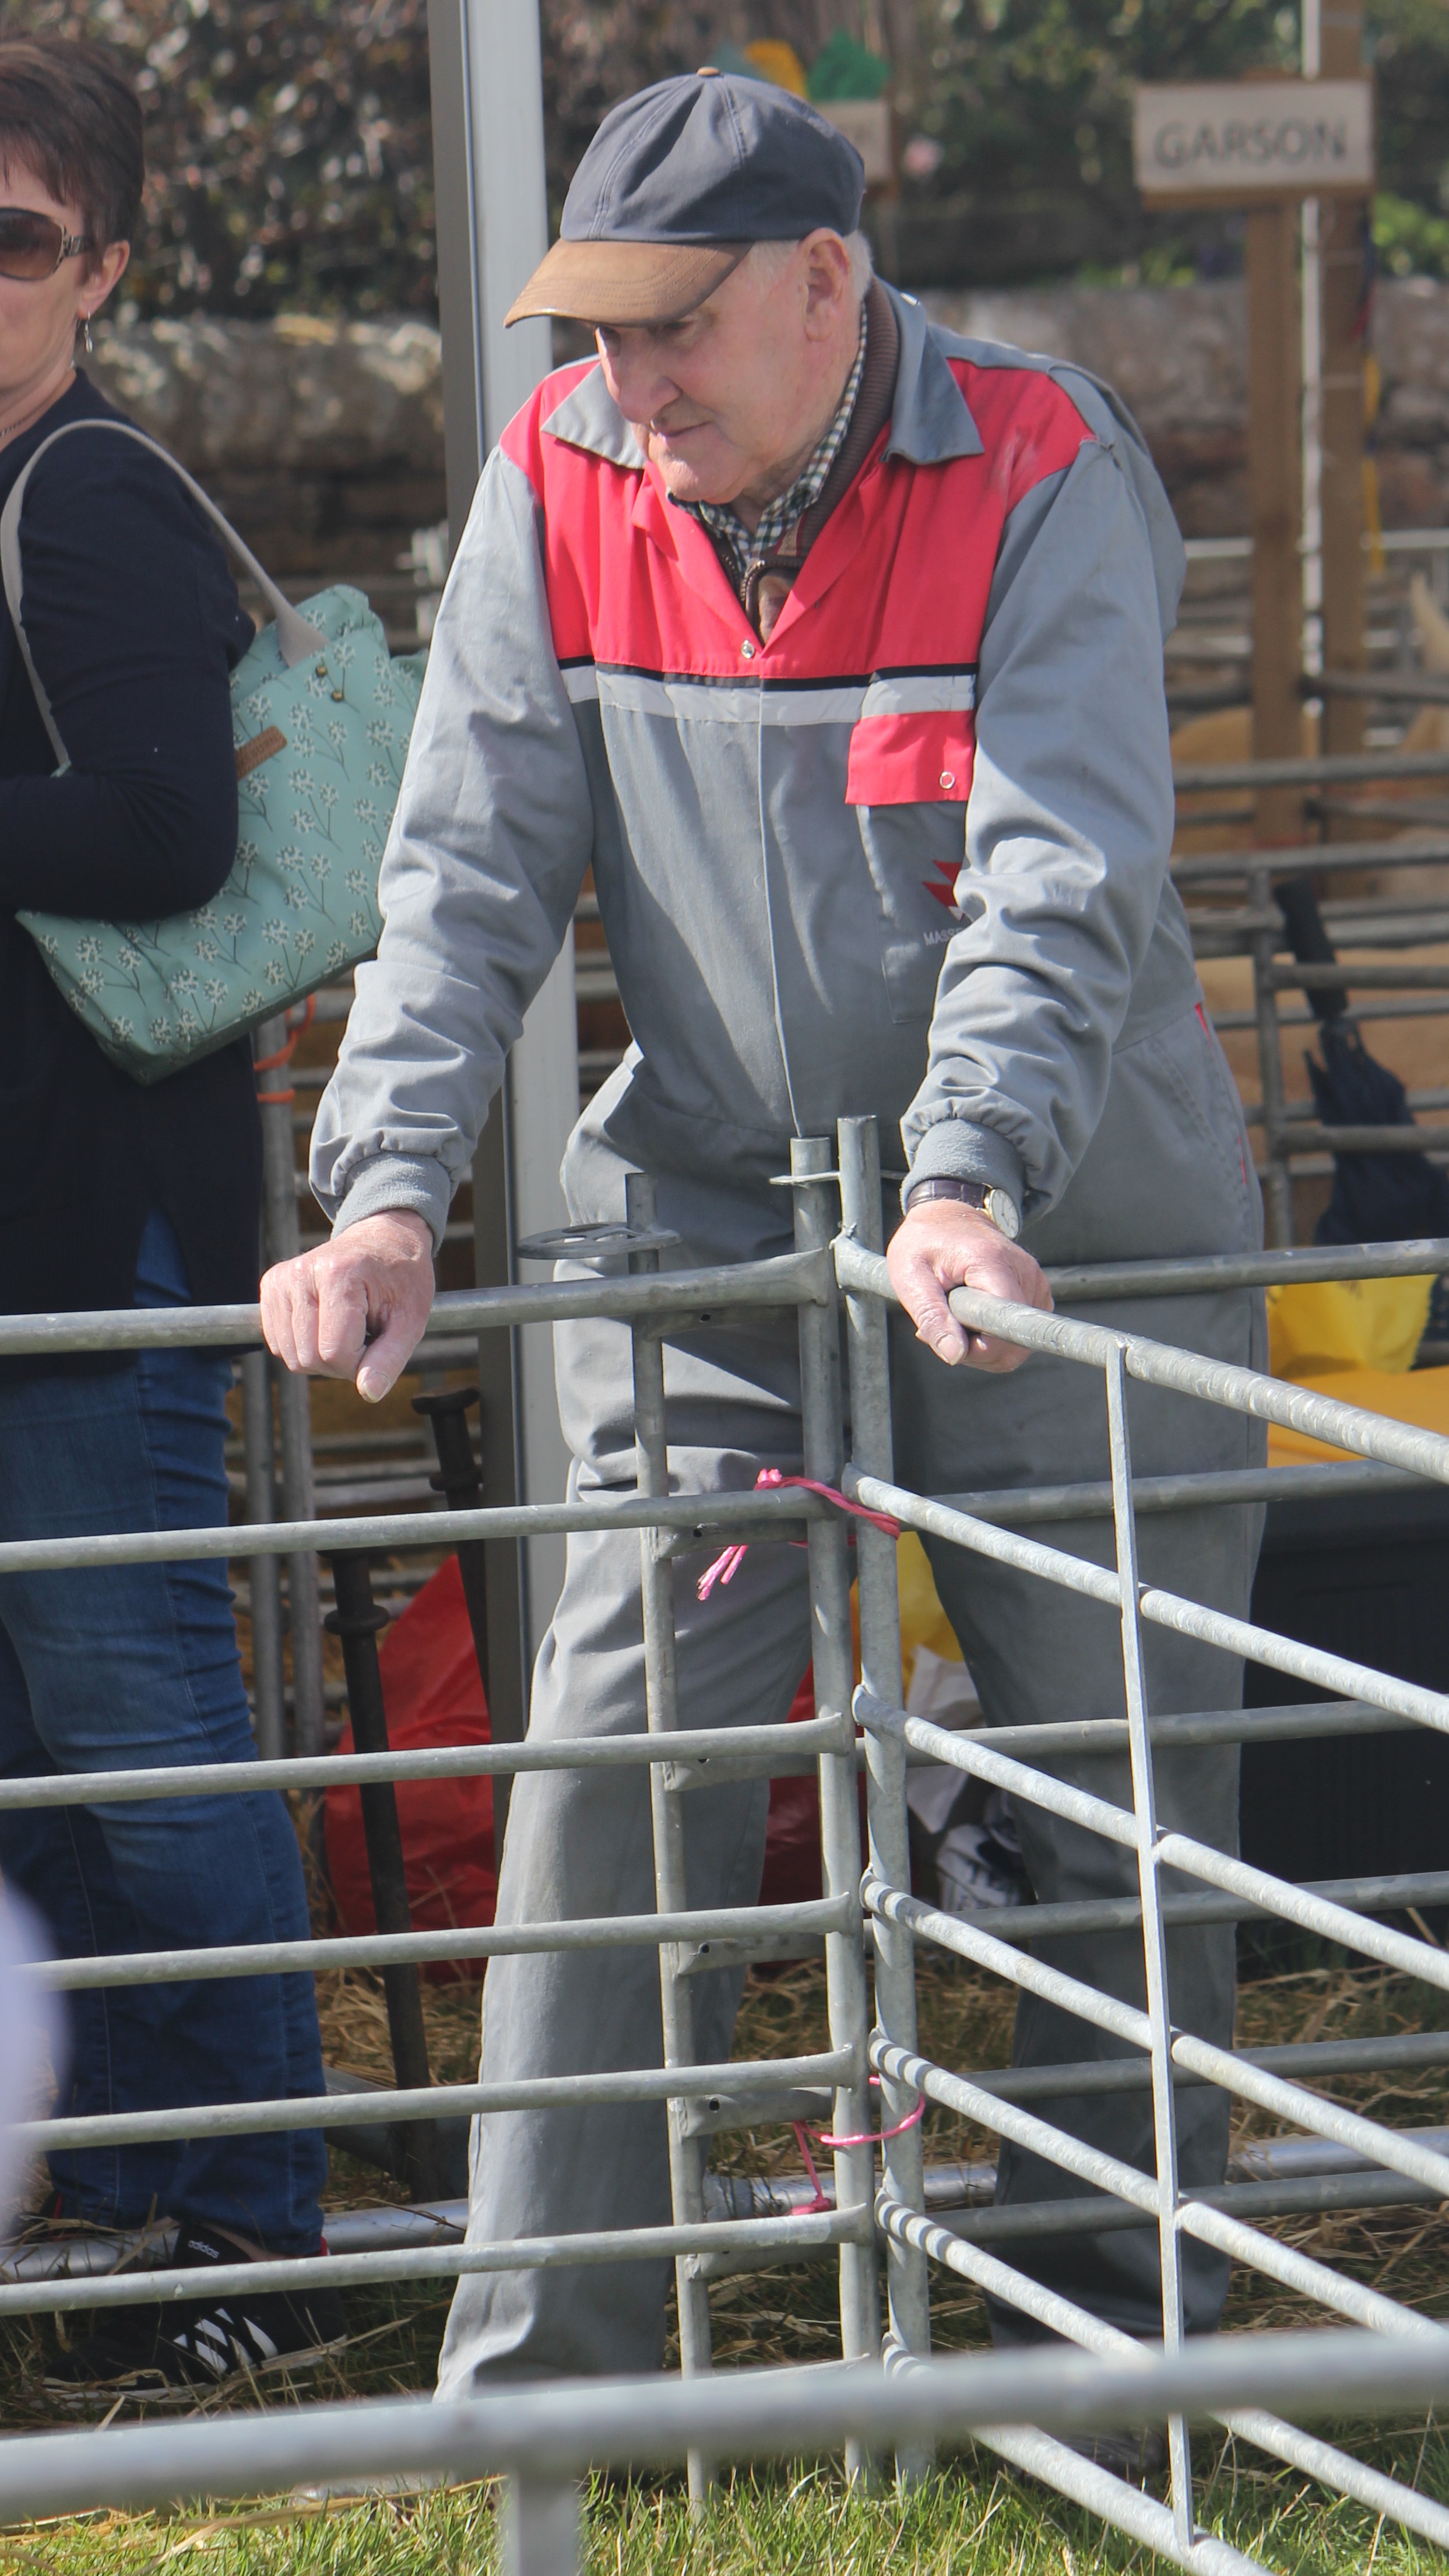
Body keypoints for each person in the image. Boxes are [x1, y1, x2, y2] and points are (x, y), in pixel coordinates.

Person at [262, 73, 1264, 2415]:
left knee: (1116, 1781)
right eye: (600, 334)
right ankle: (549, 2398)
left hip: (1054, 1228)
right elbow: (467, 860)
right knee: (617, 1766)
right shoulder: (558, 474)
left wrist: (966, 1174)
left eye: (677, 327)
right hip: (715, 1217)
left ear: (831, 285)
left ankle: (1110, 2362)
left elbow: (1061, 870)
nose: (632, 381)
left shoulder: (1042, 462)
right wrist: (385, 1183)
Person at [0, 34, 339, 2394]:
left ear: (100, 268)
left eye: (14, 237)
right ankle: (127, 2188)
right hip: (38, 1218)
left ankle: (249, 2227)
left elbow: (167, 830)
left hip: (98, 1222)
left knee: (145, 1725)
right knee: (57, 1743)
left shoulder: (88, 492)